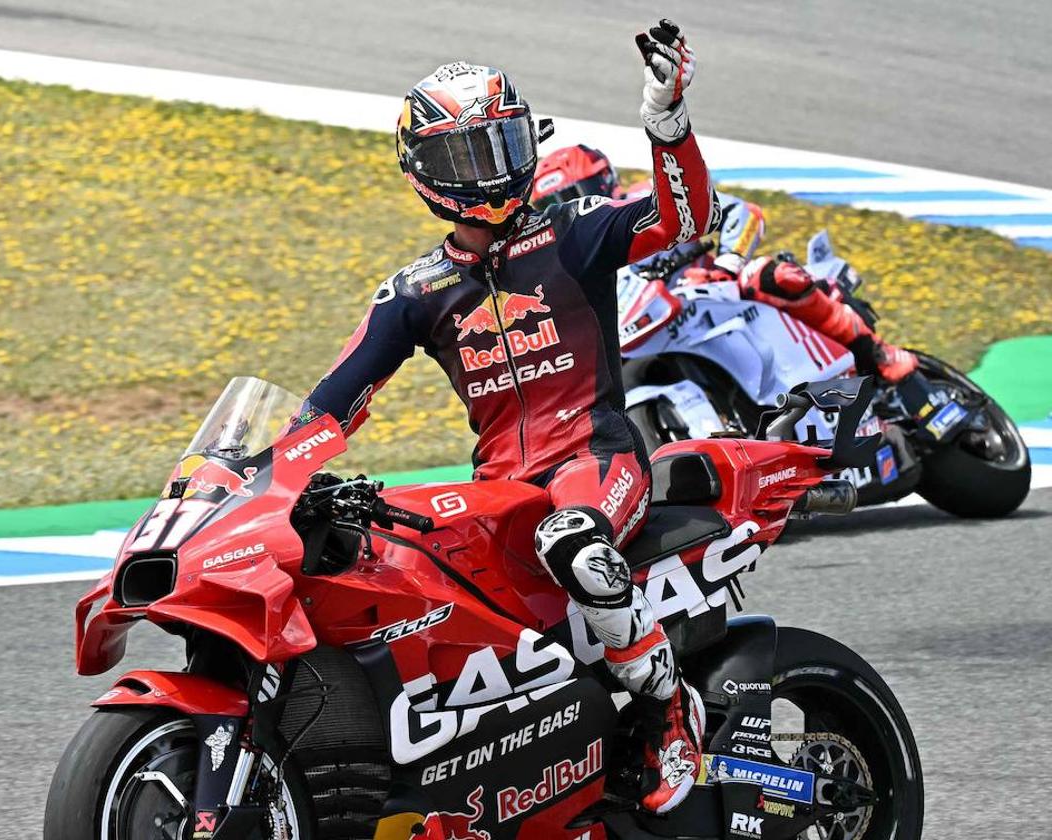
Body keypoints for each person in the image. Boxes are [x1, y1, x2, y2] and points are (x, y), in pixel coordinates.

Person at [295, 21, 717, 813]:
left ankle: (669, 713)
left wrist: (667, 120)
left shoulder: (575, 230)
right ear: (427, 175)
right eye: (467, 156)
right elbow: (333, 401)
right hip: (500, 490)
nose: (490, 171)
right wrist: (246, 475)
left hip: (596, 461)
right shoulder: (416, 292)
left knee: (575, 547)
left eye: (500, 144)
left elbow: (686, 223)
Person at [531, 145, 918, 382]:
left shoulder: (645, 200)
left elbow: (742, 213)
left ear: (602, 182)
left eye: (570, 197)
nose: (565, 212)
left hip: (711, 294)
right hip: (643, 328)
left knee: (767, 275)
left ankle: (875, 351)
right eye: (550, 209)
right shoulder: (569, 261)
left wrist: (728, 265)